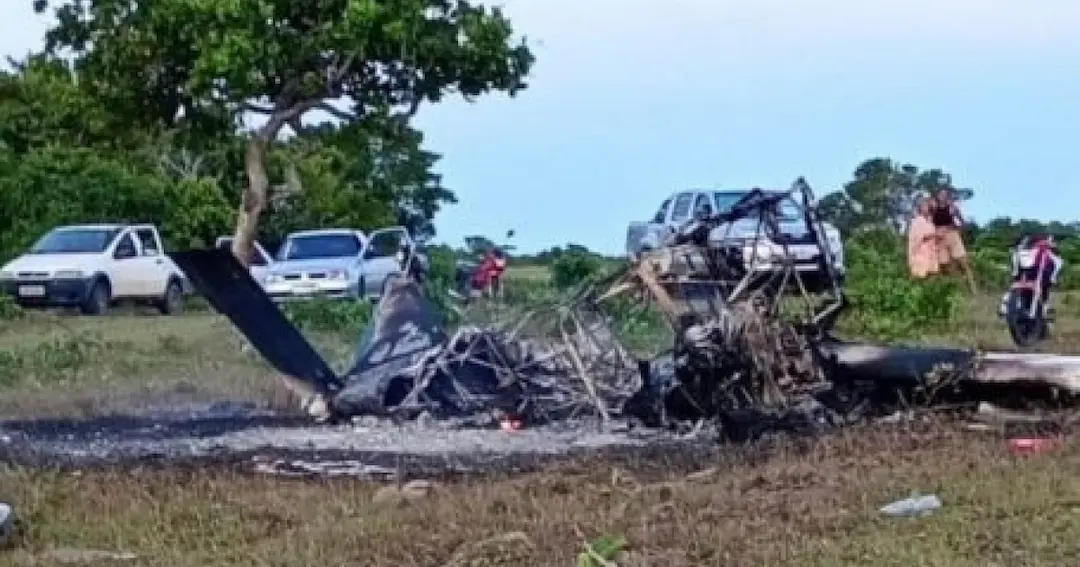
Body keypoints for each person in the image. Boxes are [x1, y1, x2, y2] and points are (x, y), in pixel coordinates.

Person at [998, 233, 1064, 317]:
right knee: (1015, 286)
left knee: (1044, 288)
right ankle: (1004, 308)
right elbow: (1058, 263)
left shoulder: (1038, 250)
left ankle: (1045, 308)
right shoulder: (1029, 250)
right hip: (1030, 272)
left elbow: (1057, 261)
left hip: (1033, 273)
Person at [930, 187, 978, 292]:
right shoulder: (933, 208)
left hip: (952, 235)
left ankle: (973, 289)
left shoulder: (952, 208)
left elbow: (962, 221)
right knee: (945, 264)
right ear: (937, 196)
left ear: (947, 196)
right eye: (940, 194)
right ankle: (955, 288)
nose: (942, 196)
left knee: (963, 263)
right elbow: (928, 221)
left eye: (945, 194)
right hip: (939, 238)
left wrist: (957, 229)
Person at [906, 196, 940, 279]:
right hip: (920, 253)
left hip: (931, 253)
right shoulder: (916, 221)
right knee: (919, 276)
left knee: (931, 276)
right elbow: (919, 238)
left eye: (927, 206)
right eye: (924, 206)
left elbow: (933, 236)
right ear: (920, 208)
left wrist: (937, 237)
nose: (926, 208)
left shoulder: (930, 222)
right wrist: (934, 235)